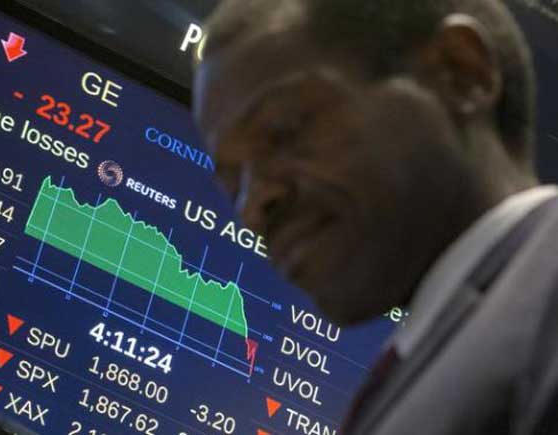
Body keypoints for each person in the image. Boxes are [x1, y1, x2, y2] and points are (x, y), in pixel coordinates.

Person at [193, 0, 558, 434]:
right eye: (233, 180)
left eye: (283, 131)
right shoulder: (434, 352)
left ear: (461, 73)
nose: (254, 206)